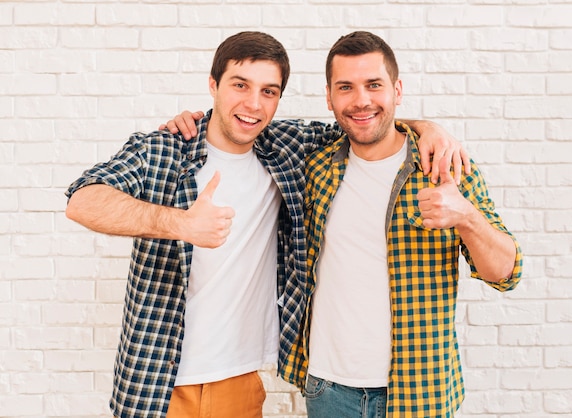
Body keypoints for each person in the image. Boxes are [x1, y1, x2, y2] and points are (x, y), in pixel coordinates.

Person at [65, 31, 467, 418]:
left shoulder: (285, 148)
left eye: (268, 91)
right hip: (158, 383)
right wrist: (180, 224)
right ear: (213, 85)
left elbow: (364, 122)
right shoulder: (165, 149)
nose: (253, 104)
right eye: (240, 85)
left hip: (242, 379)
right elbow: (83, 200)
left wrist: (427, 127)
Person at [277, 31, 523, 418]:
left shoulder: (444, 167)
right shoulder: (315, 168)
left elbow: (506, 273)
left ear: (397, 89)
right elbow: (245, 131)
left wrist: (467, 218)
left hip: (420, 390)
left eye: (374, 85)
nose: (361, 100)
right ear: (329, 96)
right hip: (328, 390)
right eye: (346, 87)